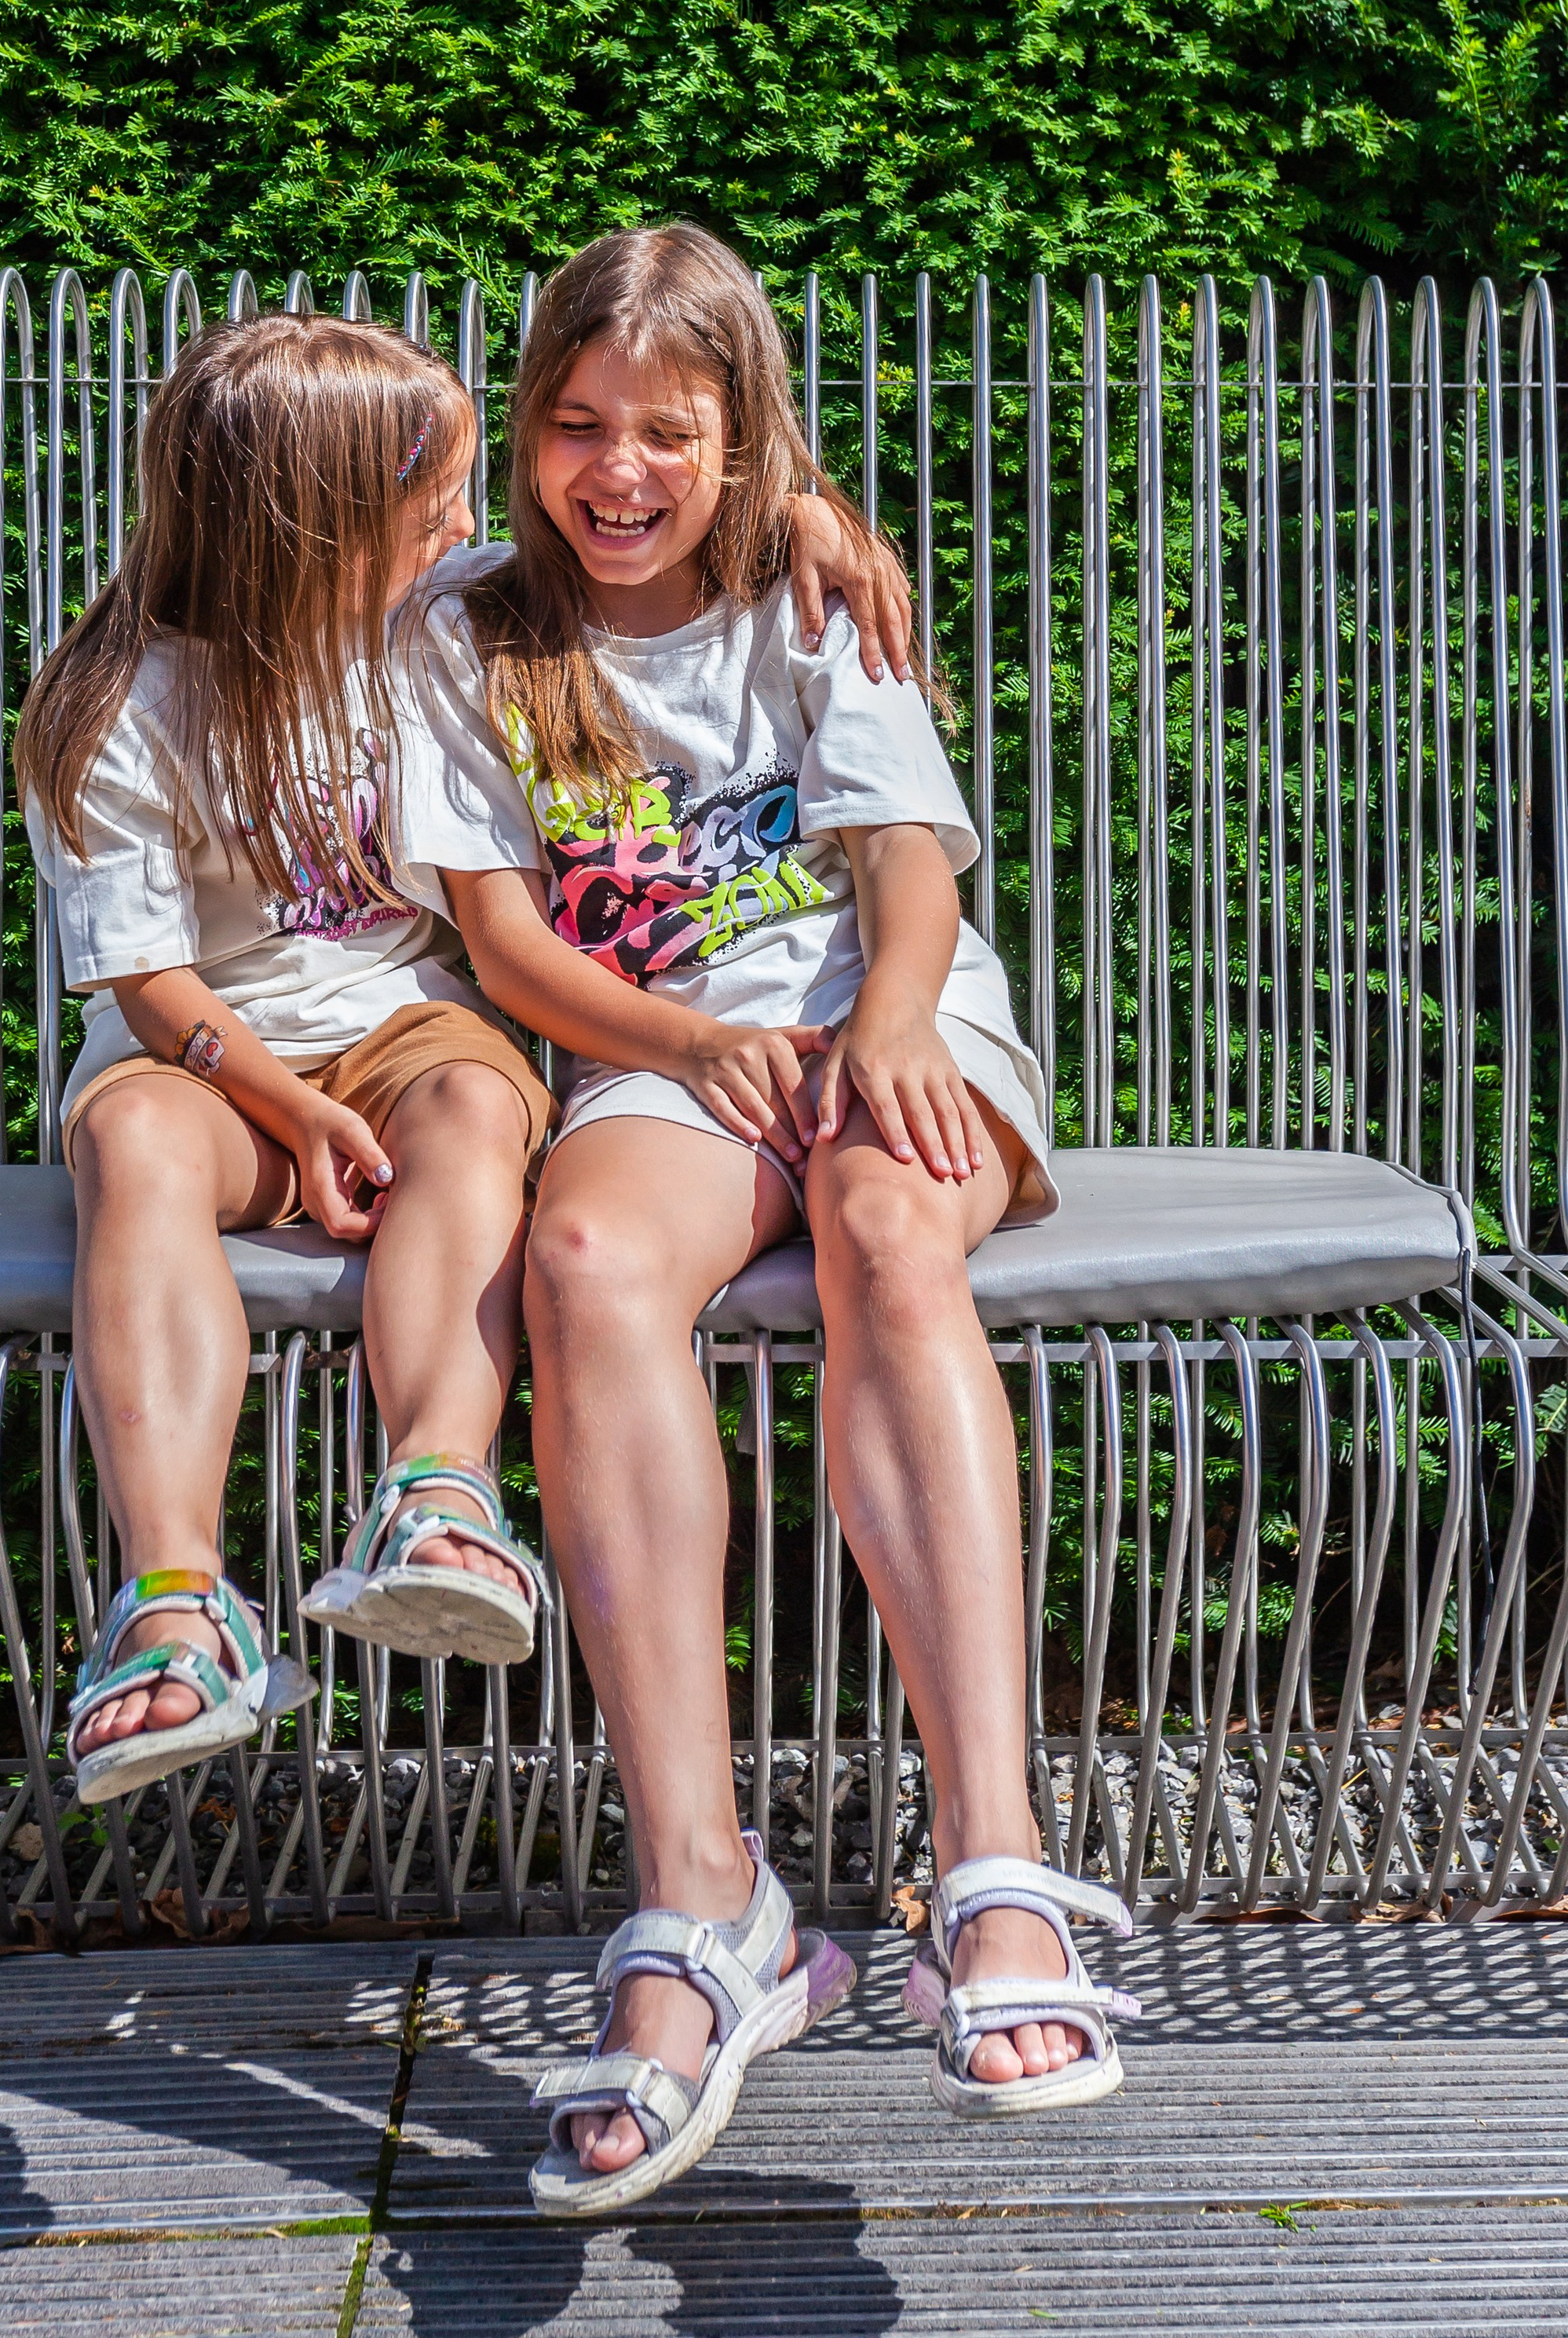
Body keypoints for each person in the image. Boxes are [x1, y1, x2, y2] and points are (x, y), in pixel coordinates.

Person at [393, 225, 1135, 2217]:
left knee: (887, 1221)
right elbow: (505, 946)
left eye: (668, 432)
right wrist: (690, 1043)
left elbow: (904, 862)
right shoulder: (465, 632)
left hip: (892, 1015)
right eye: (576, 425)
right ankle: (703, 1907)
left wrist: (882, 1023)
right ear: (526, 423)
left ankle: (991, 1875)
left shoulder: (811, 588)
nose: (617, 471)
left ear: (741, 441)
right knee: (578, 1258)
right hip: (663, 1047)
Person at [13, 305, 913, 1813]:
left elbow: (657, 530)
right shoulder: (116, 700)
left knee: (472, 1103)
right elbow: (149, 982)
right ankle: (176, 1600)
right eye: (430, 498)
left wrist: (814, 515)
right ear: (314, 524)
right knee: (132, 1142)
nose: (462, 520)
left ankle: (437, 1491)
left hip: (404, 1024)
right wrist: (287, 1111)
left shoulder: (434, 610)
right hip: (208, 1058)